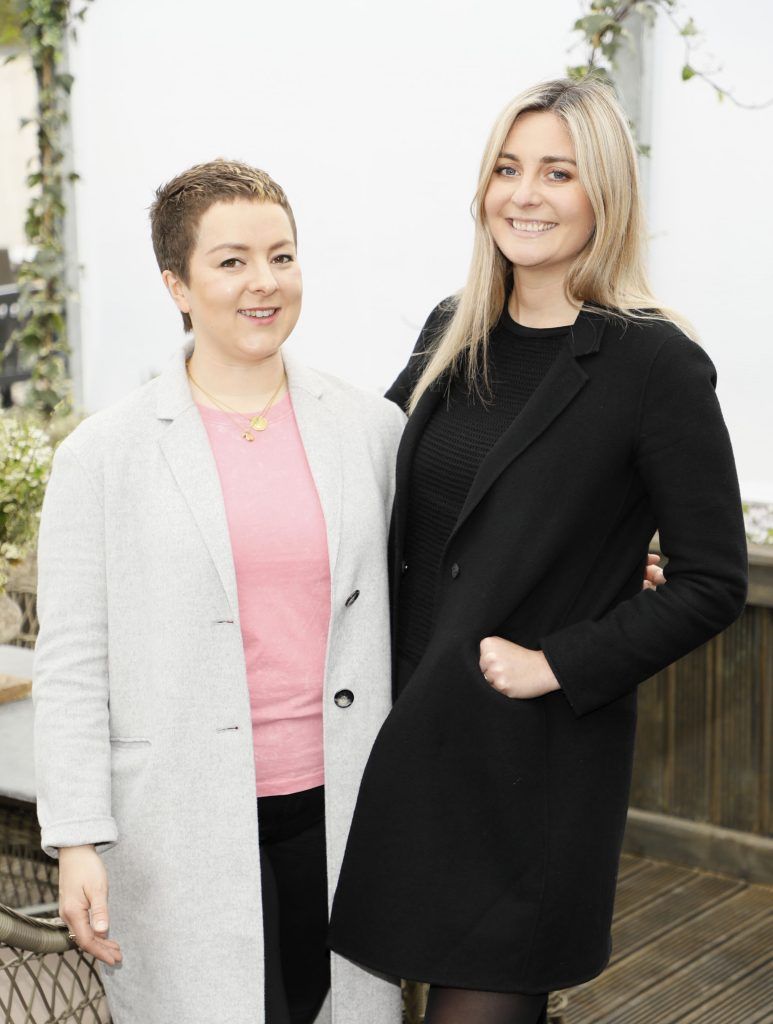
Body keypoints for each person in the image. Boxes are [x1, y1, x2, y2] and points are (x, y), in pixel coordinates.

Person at [327, 76, 748, 1024]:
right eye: (507, 169)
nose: (525, 193)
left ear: (603, 193)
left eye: (557, 172)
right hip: (405, 746)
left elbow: (713, 581)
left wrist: (560, 660)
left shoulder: (655, 364)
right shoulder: (453, 329)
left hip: (526, 772)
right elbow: (378, 484)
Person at [32, 160, 405, 1024]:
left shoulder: (371, 430)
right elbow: (74, 660)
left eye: (281, 255)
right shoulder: (103, 455)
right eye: (231, 261)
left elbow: (453, 571)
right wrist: (77, 837)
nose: (263, 283)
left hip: (347, 808)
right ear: (178, 284)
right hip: (179, 816)